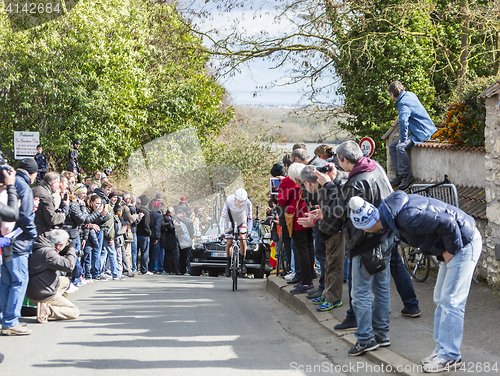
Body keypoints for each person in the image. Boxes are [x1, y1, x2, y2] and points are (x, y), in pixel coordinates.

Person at [349, 191, 481, 373]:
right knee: (441, 299)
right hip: (456, 241)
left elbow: (447, 223)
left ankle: (450, 356)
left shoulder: (405, 219)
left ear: (367, 226)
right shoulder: (391, 211)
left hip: (464, 242)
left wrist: (451, 249)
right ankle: (442, 350)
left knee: (451, 301)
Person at [301, 140, 394, 356]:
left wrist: (328, 186)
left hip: (364, 242)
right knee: (381, 289)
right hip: (386, 236)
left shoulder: (355, 183)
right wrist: (336, 180)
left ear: (343, 160)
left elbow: (338, 213)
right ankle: (382, 334)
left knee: (360, 292)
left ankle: (365, 338)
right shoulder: (376, 168)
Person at [298, 165, 345, 312]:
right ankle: (327, 295)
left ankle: (333, 298)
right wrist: (320, 214)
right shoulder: (325, 189)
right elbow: (330, 211)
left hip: (336, 233)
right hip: (331, 232)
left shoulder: (327, 189)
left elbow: (334, 215)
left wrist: (316, 221)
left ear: (308, 183)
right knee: (329, 266)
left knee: (334, 267)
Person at [1, 158, 38, 336]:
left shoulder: (10, 183)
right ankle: (11, 322)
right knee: (19, 280)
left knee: (6, 282)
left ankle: (3, 318)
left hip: (5, 240)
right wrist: (33, 233)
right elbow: (24, 215)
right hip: (19, 241)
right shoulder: (24, 186)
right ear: (33, 174)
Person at [388, 81, 436, 190]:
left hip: (421, 131)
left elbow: (403, 121)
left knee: (400, 147)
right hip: (420, 128)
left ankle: (406, 175)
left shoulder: (403, 103)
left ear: (392, 94)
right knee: (392, 146)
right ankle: (399, 174)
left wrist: (403, 139)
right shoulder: (409, 94)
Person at [277, 163, 315, 295]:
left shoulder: (288, 181)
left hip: (297, 218)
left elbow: (281, 201)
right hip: (311, 216)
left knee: (302, 250)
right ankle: (309, 278)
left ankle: (305, 282)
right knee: (309, 248)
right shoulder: (309, 178)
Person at [27, 229, 80, 323]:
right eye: (65, 245)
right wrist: (71, 249)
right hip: (43, 294)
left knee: (65, 281)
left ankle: (48, 305)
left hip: (34, 289)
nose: (66, 247)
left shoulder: (39, 247)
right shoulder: (49, 253)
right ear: (59, 245)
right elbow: (69, 266)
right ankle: (47, 310)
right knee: (74, 311)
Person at [219, 188, 252, 277]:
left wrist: (249, 233)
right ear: (235, 199)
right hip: (229, 218)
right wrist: (222, 232)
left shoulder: (248, 203)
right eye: (239, 201)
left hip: (241, 217)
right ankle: (228, 263)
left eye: (243, 202)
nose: (241, 204)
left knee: (242, 237)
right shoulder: (229, 200)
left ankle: (243, 262)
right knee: (229, 241)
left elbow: (250, 218)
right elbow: (222, 217)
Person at [32, 172, 69, 236]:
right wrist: (62, 215)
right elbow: (52, 219)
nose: (59, 186)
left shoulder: (34, 190)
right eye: (58, 183)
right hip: (40, 233)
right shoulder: (47, 197)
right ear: (53, 184)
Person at [175, 209, 194, 275]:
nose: (183, 216)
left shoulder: (188, 222)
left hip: (187, 240)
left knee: (186, 256)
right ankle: (183, 270)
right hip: (183, 241)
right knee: (183, 256)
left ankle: (186, 270)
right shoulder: (179, 222)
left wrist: (190, 239)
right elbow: (180, 232)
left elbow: (191, 232)